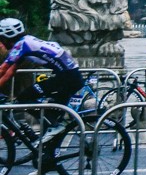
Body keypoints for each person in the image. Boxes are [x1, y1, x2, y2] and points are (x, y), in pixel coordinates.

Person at [0, 18, 83, 147]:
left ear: (7, 36)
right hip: (69, 75)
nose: (1, 42)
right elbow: (10, 72)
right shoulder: (27, 41)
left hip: (67, 77)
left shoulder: (22, 45)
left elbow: (3, 69)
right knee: (49, 109)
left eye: (1, 38)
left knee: (25, 96)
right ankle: (48, 152)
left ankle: (53, 126)